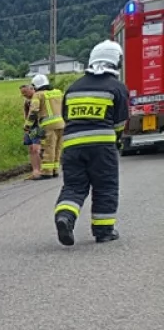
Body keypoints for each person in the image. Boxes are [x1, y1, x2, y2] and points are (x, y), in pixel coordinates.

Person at [54, 40, 129, 246]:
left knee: (74, 186)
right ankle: (104, 231)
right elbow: (120, 121)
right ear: (115, 61)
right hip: (102, 146)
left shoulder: (73, 88)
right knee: (105, 186)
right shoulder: (117, 87)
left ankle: (65, 217)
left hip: (71, 146)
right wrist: (117, 141)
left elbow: (66, 117)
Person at [27, 73, 65, 178]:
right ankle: (55, 170)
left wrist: (28, 125)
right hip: (62, 124)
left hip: (49, 125)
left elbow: (34, 111)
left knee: (49, 148)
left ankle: (47, 172)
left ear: (35, 86)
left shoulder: (38, 95)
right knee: (58, 148)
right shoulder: (58, 92)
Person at [21, 83, 44, 178]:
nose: (24, 95)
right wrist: (26, 128)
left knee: (36, 148)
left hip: (38, 126)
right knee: (31, 149)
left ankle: (41, 170)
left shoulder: (39, 98)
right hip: (29, 127)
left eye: (25, 92)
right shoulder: (27, 102)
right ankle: (35, 170)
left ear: (32, 89)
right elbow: (26, 114)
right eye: (22, 93)